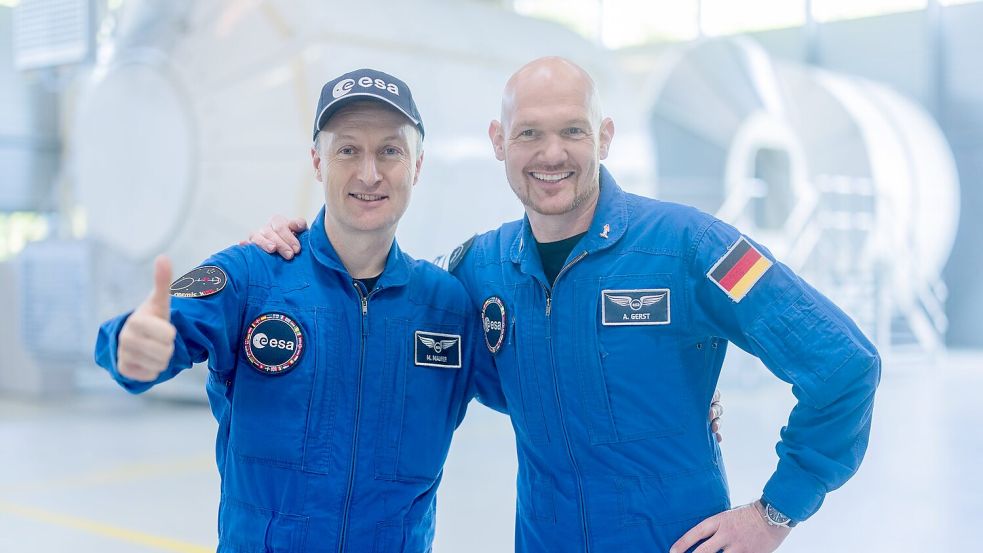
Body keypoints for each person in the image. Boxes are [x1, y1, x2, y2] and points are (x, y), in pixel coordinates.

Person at [253, 57, 878, 553]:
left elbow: (844, 363)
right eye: (529, 133)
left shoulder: (693, 246)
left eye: (572, 131)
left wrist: (775, 512)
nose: (551, 155)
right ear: (500, 142)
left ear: (603, 136)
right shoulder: (479, 267)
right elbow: (397, 313)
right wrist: (295, 247)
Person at [94, 68, 506, 552]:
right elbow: (160, 331)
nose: (369, 173)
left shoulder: (447, 307)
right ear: (317, 161)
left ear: (416, 166)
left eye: (390, 151)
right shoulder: (252, 275)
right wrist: (130, 344)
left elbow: (536, 394)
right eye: (347, 149)